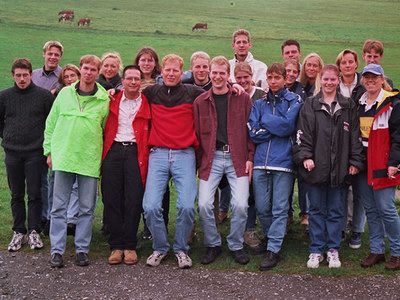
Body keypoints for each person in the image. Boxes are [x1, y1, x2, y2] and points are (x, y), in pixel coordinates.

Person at [293, 64, 364, 269]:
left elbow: (354, 137)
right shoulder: (310, 104)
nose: (329, 82)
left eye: (333, 79)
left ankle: (333, 249)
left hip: (340, 169)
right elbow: (302, 134)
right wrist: (305, 156)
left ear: (338, 80)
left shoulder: (348, 106)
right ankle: (316, 249)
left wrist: (354, 162)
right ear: (320, 80)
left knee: (335, 210)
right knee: (316, 210)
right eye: (326, 79)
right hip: (315, 168)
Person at [44, 54, 110, 268]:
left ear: (98, 72)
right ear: (80, 69)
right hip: (63, 157)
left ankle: (82, 249)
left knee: (86, 208)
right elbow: (51, 123)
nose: (89, 72)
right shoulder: (64, 94)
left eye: (93, 69)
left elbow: (106, 129)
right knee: (58, 208)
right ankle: (56, 250)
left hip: (89, 160)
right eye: (86, 68)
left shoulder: (104, 99)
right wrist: (49, 152)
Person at [142, 54, 204, 269]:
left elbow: (218, 92)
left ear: (182, 71)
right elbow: (128, 94)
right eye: (167, 70)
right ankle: (160, 247)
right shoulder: (151, 92)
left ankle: (180, 249)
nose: (170, 73)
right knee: (149, 206)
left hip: (184, 154)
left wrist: (236, 87)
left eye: (175, 70)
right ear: (162, 71)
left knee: (187, 206)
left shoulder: (193, 92)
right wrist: (112, 90)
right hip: (158, 154)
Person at [194, 56, 254, 266]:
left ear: (228, 75)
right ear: (210, 74)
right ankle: (213, 244)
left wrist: (250, 158)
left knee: (239, 205)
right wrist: (199, 161)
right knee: (203, 204)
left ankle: (236, 245)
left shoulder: (242, 98)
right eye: (215, 73)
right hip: (211, 158)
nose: (218, 76)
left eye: (222, 73)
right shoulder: (200, 102)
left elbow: (250, 131)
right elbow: (197, 135)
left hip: (237, 157)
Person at [248, 63, 303, 270]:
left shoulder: (294, 100)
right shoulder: (259, 104)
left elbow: (289, 126)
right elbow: (253, 131)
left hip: (284, 161)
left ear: (284, 78)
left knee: (280, 208)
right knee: (262, 206)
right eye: (269, 77)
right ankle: (273, 237)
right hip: (261, 161)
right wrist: (276, 126)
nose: (273, 81)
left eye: (277, 77)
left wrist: (267, 123)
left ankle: (273, 248)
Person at [0, 58, 54, 251]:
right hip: (13, 152)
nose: (22, 79)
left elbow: (51, 123)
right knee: (16, 193)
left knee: (34, 193)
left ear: (31, 75)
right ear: (13, 76)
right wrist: (8, 137)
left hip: (35, 152)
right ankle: (19, 231)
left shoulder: (44, 96)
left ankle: (33, 231)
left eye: (25, 75)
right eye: (18, 75)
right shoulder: (4, 96)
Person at [102, 65, 151, 265]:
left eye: (136, 79)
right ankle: (116, 245)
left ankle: (130, 245)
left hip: (135, 151)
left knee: (133, 199)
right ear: (122, 81)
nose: (132, 82)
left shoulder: (148, 102)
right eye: (129, 78)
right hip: (113, 150)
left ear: (141, 81)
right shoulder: (110, 99)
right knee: (111, 198)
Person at [354, 64, 400, 270]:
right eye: (367, 77)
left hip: (383, 165)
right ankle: (377, 250)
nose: (370, 80)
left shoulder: (392, 104)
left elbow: (398, 138)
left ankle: (398, 252)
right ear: (363, 80)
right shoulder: (360, 103)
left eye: (375, 77)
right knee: (371, 210)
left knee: (387, 209)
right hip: (363, 165)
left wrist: (394, 163)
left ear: (382, 79)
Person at [133, 46, 169, 240]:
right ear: (138, 62)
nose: (146, 63)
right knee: (139, 182)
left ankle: (159, 225)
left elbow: (187, 75)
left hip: (158, 135)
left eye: (150, 60)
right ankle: (146, 225)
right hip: (137, 136)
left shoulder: (163, 81)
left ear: (156, 63)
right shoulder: (131, 81)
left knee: (160, 184)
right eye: (143, 60)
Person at [31, 40, 64, 234]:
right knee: (39, 178)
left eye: (56, 55)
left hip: (56, 133)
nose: (53, 57)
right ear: (44, 54)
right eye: (50, 53)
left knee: (54, 179)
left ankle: (52, 218)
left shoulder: (64, 76)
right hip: (35, 133)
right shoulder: (33, 75)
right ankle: (41, 217)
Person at [335, 49, 366, 249]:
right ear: (339, 66)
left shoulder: (363, 85)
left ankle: (357, 230)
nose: (347, 65)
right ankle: (342, 225)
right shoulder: (334, 85)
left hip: (362, 141)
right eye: (343, 62)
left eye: (350, 62)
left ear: (356, 64)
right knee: (341, 188)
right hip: (339, 143)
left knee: (359, 191)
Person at [232, 62, 264, 250]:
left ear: (252, 75)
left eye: (246, 77)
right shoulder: (232, 92)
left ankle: (250, 229)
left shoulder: (261, 94)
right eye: (239, 78)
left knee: (253, 192)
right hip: (239, 147)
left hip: (259, 147)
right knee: (239, 192)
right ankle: (238, 229)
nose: (243, 81)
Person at [284, 59, 308, 228]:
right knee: (285, 180)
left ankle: (305, 213)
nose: (291, 74)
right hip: (283, 141)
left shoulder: (302, 91)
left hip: (298, 139)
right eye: (288, 71)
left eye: (294, 71)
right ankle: (287, 213)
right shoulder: (276, 88)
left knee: (303, 178)